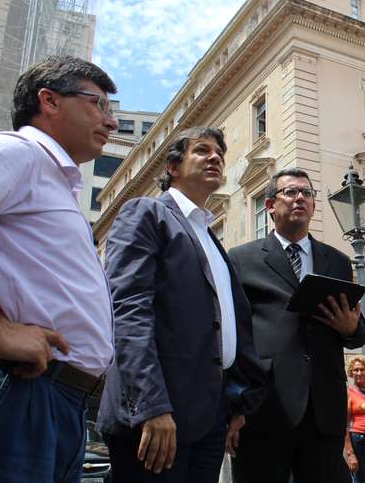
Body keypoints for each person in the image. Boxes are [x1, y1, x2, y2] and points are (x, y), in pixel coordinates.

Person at [0, 56, 117, 482]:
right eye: (99, 105)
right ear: (49, 101)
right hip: (18, 389)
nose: (111, 122)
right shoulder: (16, 153)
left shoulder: (56, 181)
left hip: (61, 402)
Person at [96, 127, 267, 482]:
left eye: (220, 151)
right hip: (157, 416)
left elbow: (232, 327)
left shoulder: (212, 240)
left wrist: (237, 404)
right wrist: (151, 405)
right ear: (173, 166)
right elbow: (128, 309)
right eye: (202, 150)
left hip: (210, 417)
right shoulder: (146, 213)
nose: (215, 157)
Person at [227, 167, 365, 483]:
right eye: (291, 192)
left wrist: (351, 328)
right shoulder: (240, 260)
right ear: (269, 205)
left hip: (324, 412)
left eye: (307, 193)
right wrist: (232, 406)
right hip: (263, 409)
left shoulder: (337, 261)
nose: (300, 199)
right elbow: (231, 337)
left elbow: (360, 330)